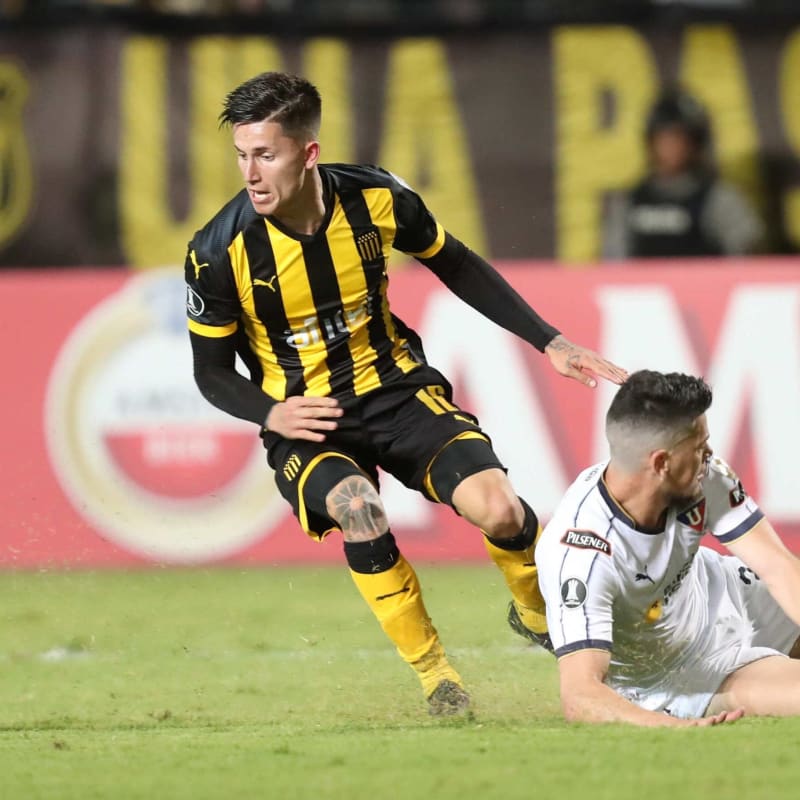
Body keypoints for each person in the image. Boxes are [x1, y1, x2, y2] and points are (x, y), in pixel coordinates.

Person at [184, 71, 627, 716]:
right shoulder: (218, 252)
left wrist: (549, 340)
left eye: (266, 154)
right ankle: (436, 678)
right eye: (242, 156)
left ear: (308, 152)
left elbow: (456, 262)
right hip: (308, 419)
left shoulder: (376, 199)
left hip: (397, 392)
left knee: (501, 510)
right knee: (357, 506)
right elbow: (210, 372)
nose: (250, 174)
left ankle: (535, 613)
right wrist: (271, 410)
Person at [535, 370, 800, 727]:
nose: (710, 454)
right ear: (661, 463)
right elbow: (580, 696)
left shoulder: (705, 477)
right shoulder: (581, 556)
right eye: (699, 446)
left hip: (727, 591)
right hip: (682, 671)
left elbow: (778, 568)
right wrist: (677, 728)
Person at [603, 87, 764, 260]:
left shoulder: (718, 198)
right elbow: (613, 265)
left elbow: (746, 261)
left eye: (680, 138)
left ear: (695, 143)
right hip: (644, 287)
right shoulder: (631, 201)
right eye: (664, 137)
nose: (672, 146)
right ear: (651, 141)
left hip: (705, 286)